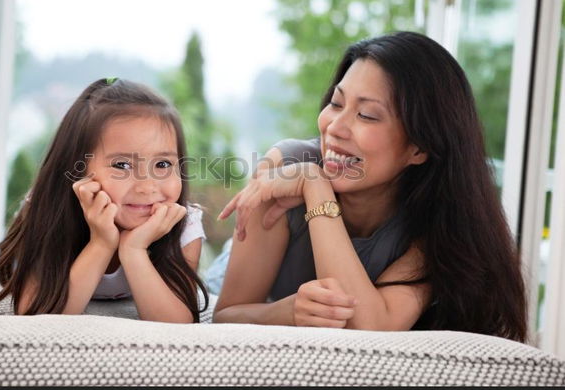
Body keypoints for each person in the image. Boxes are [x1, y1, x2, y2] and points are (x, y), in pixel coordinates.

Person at [213, 31, 527, 342]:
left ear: (418, 148)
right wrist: (287, 313)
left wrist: (315, 186)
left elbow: (367, 328)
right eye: (336, 103)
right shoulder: (287, 167)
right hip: (228, 276)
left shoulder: (435, 226)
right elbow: (225, 314)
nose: (335, 127)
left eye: (366, 115)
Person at [0, 78, 209, 323]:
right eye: (122, 165)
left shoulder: (183, 224)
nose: (147, 186)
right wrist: (101, 243)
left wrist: (133, 251)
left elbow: (178, 325)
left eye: (163, 164)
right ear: (78, 171)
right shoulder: (46, 210)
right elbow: (35, 315)